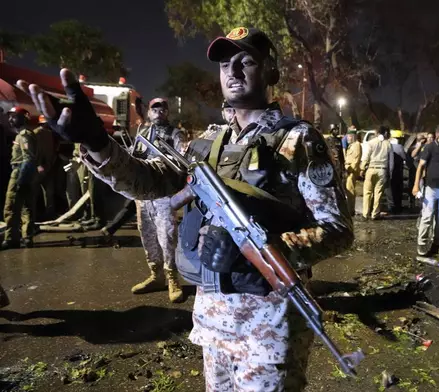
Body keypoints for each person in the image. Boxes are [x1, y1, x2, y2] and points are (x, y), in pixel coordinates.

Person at [19, 26, 352, 391]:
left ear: (270, 71)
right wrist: (96, 141)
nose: (233, 72)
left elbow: (336, 230)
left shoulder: (299, 139)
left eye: (245, 62)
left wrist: (263, 249)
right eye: (225, 65)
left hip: (268, 326)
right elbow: (148, 181)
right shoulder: (208, 141)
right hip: (212, 321)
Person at [130, 97, 188, 303]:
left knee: (167, 237)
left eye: (163, 108)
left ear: (168, 112)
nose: (159, 111)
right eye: (155, 108)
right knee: (147, 235)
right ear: (149, 112)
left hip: (163, 193)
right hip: (143, 195)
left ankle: (172, 278)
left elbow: (182, 160)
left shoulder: (175, 134)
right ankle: (156, 276)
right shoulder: (142, 134)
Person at [412, 127, 439, 257]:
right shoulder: (430, 148)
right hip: (430, 189)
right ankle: (422, 243)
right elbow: (420, 166)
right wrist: (416, 186)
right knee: (427, 217)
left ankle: (436, 245)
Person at [3, 107, 37, 249]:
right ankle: (26, 237)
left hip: (19, 172)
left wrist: (21, 180)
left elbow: (28, 158)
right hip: (26, 173)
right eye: (10, 116)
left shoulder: (24, 135)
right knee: (26, 206)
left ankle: (11, 238)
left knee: (11, 206)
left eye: (14, 116)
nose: (10, 119)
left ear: (23, 118)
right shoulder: (24, 134)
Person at [361, 125, 393, 220]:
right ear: (385, 133)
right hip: (382, 170)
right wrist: (389, 173)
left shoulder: (370, 143)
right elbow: (391, 161)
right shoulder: (388, 144)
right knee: (378, 193)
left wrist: (362, 168)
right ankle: (375, 214)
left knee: (367, 192)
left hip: (371, 168)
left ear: (377, 132)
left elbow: (366, 157)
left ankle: (365, 213)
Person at [33, 115, 58, 220]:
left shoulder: (39, 133)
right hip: (44, 166)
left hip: (42, 167)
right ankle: (46, 213)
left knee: (38, 192)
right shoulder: (43, 134)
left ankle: (40, 214)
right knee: (47, 192)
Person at [387, 132, 410, 214]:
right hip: (398, 171)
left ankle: (391, 207)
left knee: (390, 190)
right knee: (398, 190)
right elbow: (405, 157)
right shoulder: (399, 147)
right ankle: (398, 207)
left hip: (388, 171)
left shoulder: (386, 145)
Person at [344, 129, 361, 216]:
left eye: (349, 136)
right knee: (348, 191)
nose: (348, 138)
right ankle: (349, 209)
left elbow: (356, 160)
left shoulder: (356, 145)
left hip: (351, 172)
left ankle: (351, 211)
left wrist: (350, 170)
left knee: (350, 191)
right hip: (348, 170)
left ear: (353, 136)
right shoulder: (352, 145)